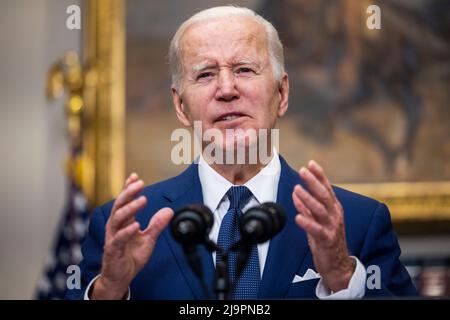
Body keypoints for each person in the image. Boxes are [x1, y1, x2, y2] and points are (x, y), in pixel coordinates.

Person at [65, 6, 418, 300]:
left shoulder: (358, 222)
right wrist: (109, 291)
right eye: (205, 74)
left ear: (281, 94)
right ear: (181, 106)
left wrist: (342, 277)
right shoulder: (125, 228)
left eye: (244, 69)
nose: (226, 89)